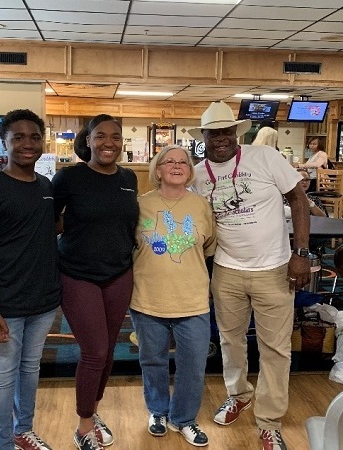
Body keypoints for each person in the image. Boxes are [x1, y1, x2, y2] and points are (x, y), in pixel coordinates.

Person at [188, 101, 311, 450]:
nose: (222, 138)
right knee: (230, 340)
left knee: (276, 348)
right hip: (226, 271)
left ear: (236, 133)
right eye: (215, 133)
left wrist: (300, 254)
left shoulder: (265, 159)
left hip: (274, 268)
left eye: (228, 131)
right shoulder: (197, 175)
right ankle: (238, 393)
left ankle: (269, 421)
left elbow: (298, 201)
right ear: (206, 137)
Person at [0, 109, 61, 450]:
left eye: (34, 136)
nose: (27, 143)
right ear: (4, 143)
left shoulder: (46, 186)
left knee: (30, 370)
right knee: (4, 377)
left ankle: (24, 430)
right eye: (18, 137)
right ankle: (2, 443)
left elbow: (46, 229)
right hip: (5, 303)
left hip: (44, 300)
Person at [52, 114, 139, 450]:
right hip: (78, 274)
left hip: (119, 273)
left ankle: (94, 410)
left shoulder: (129, 178)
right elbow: (49, 223)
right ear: (87, 140)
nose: (108, 143)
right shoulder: (68, 178)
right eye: (100, 136)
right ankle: (84, 425)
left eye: (115, 137)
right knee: (95, 351)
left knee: (109, 353)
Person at [129, 145, 217, 448]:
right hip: (147, 298)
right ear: (157, 170)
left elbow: (208, 249)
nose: (177, 166)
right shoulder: (139, 205)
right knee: (152, 361)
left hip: (192, 300)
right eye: (170, 162)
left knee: (193, 365)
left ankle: (183, 419)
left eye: (184, 162)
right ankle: (157, 411)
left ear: (190, 171)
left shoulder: (201, 206)